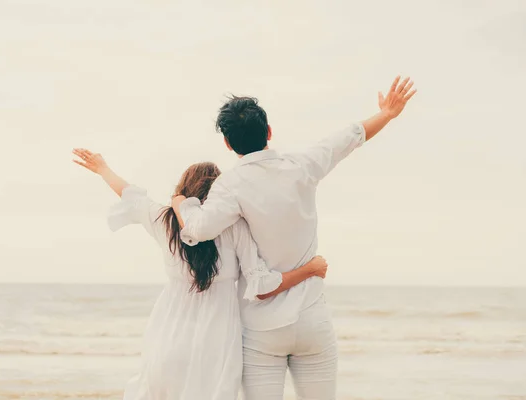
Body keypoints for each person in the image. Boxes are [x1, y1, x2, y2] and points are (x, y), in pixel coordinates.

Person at [171, 76, 417, 400]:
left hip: (261, 329)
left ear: (228, 144)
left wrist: (181, 202)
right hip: (311, 318)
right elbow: (350, 137)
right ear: (269, 132)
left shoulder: (230, 186)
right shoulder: (302, 165)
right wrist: (386, 113)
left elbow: (198, 229)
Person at [72, 151, 329, 400]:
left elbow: (131, 194)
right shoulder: (234, 226)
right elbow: (262, 285)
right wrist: (310, 269)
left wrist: (102, 168)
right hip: (217, 342)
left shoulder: (164, 220)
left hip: (168, 334)